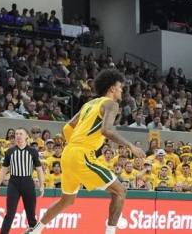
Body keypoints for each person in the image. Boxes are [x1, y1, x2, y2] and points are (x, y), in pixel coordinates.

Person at [24, 69, 146, 234]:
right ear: (111, 88)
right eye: (120, 87)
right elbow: (107, 131)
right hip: (81, 155)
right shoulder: (111, 104)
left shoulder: (89, 104)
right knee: (120, 191)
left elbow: (67, 127)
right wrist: (131, 146)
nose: (122, 90)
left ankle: (35, 231)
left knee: (66, 200)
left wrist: (75, 146)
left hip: (69, 154)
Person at [0, 128, 44, 234]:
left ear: (26, 136)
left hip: (28, 182)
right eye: (16, 134)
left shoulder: (32, 151)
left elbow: (39, 169)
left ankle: (34, 232)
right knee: (10, 214)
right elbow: (4, 169)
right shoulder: (10, 151)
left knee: (31, 215)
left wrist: (42, 185)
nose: (18, 136)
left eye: (21, 133)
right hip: (14, 183)